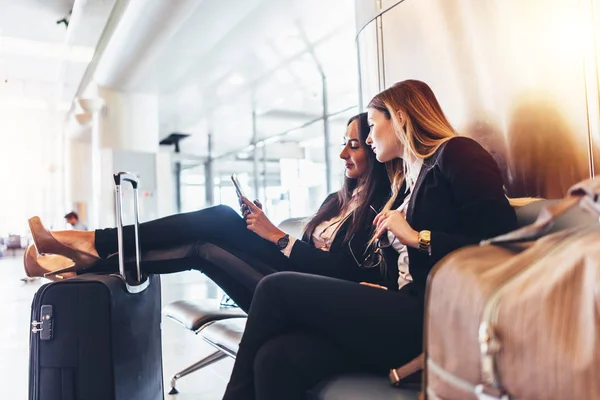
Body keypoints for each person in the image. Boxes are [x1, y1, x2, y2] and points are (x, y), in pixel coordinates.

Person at [221, 79, 519, 400]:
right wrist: (383, 286)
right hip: (402, 309)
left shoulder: (457, 152)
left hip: (433, 316)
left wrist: (420, 238)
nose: (367, 137)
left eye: (373, 124)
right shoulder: (408, 182)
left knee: (273, 288)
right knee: (276, 358)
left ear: (401, 118)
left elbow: (503, 243)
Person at [24, 113, 399, 311]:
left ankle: (90, 245)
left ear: (375, 147)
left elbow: (339, 272)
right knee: (205, 238)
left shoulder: (379, 212)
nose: (343, 154)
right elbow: (301, 249)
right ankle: (90, 258)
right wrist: (263, 231)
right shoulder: (337, 202)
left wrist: (276, 235)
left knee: (213, 229)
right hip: (285, 269)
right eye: (344, 143)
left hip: (300, 289)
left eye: (355, 144)